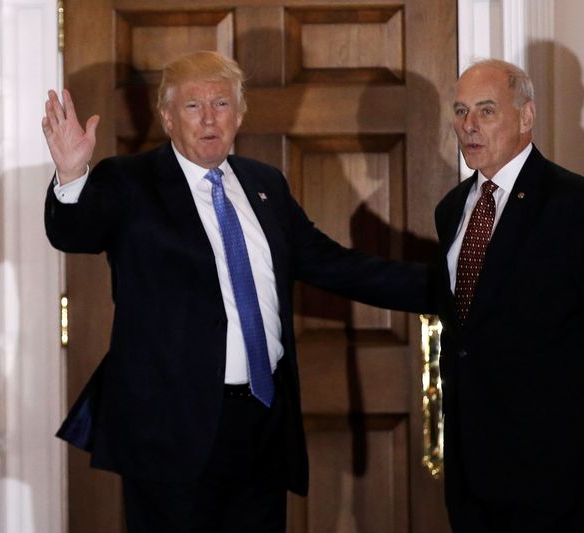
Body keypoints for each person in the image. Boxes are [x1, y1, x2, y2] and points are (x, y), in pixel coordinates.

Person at [41, 50, 433, 532]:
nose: (209, 118)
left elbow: (334, 264)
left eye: (222, 104)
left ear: (240, 114)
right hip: (171, 432)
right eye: (192, 106)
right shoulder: (129, 181)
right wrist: (72, 176)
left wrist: (450, 287)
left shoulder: (264, 184)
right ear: (166, 117)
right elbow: (74, 233)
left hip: (262, 421)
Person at [433, 59, 584, 532]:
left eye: (486, 111)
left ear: (526, 117)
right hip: (470, 476)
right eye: (461, 111)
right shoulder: (451, 210)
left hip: (553, 476)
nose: (468, 126)